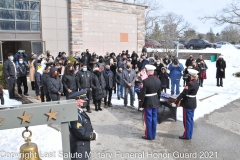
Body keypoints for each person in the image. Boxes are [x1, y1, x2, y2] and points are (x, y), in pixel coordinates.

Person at [68, 91, 98, 160]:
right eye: (83, 100)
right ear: (76, 101)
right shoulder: (74, 115)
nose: (85, 101)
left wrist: (91, 130)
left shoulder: (79, 111)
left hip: (83, 147)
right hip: (79, 150)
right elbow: (81, 133)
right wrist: (93, 136)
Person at [175, 69, 199, 140]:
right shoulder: (196, 83)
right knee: (191, 119)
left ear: (192, 76)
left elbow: (184, 93)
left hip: (188, 102)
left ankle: (186, 135)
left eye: (189, 75)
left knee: (187, 120)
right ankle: (189, 134)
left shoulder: (190, 84)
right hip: (193, 102)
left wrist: (178, 99)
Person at [139, 65, 161, 140]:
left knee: (148, 119)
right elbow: (159, 93)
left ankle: (149, 135)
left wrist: (141, 103)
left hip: (147, 102)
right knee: (154, 119)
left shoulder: (145, 81)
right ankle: (153, 135)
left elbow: (142, 94)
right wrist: (157, 100)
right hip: (155, 101)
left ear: (148, 72)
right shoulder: (158, 80)